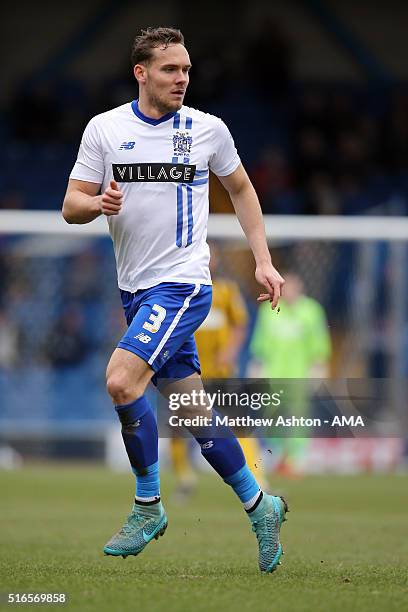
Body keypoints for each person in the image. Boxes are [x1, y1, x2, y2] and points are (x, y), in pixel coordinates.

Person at [62, 27, 287, 574]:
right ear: (141, 73)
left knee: (120, 379)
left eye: (186, 69)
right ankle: (263, 507)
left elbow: (241, 189)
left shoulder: (207, 130)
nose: (182, 78)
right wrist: (98, 203)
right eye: (170, 69)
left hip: (184, 282)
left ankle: (148, 505)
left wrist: (262, 259)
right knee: (192, 410)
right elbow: (71, 204)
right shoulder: (106, 129)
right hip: (135, 288)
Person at [170, 242, 269, 499]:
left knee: (239, 423)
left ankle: (257, 477)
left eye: (212, 255)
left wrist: (230, 352)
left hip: (221, 372)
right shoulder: (180, 288)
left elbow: (240, 324)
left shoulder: (225, 291)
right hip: (188, 372)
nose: (208, 259)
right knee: (178, 427)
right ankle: (185, 478)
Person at [250, 272, 331, 476]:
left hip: (300, 376)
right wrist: (257, 370)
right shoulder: (268, 310)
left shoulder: (312, 311)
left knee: (299, 419)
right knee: (272, 418)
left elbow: (319, 345)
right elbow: (260, 346)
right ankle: (278, 456)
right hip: (274, 376)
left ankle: (296, 459)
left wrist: (318, 370)